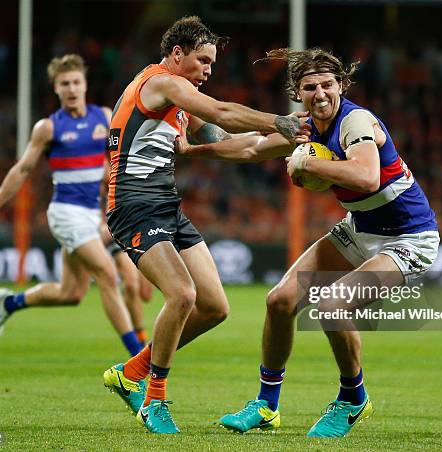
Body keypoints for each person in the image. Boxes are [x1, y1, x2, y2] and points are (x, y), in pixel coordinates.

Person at [175, 47, 439, 438]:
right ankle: (266, 405)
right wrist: (191, 150)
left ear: (341, 85)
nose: (320, 93)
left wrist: (307, 163)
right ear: (298, 93)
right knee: (279, 302)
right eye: (310, 87)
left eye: (327, 85)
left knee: (332, 305)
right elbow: (249, 147)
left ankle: (353, 399)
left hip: (408, 238)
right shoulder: (304, 129)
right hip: (359, 229)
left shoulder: (356, 121)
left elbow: (366, 177)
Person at [101, 16, 309, 434]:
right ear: (177, 55)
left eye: (212, 63)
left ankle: (131, 372)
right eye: (203, 61)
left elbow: (231, 140)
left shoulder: (179, 101)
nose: (208, 71)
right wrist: (279, 120)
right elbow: (222, 112)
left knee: (214, 306)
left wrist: (298, 138)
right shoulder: (160, 83)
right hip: (133, 204)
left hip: (165, 205)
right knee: (182, 294)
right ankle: (153, 399)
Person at [0, 54, 143, 357]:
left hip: (91, 215)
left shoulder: (103, 117)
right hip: (65, 213)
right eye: (64, 84)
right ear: (56, 89)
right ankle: (140, 359)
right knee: (108, 275)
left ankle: (10, 303)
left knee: (70, 293)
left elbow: (112, 162)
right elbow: (22, 170)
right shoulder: (47, 128)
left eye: (76, 82)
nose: (71, 89)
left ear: (85, 85)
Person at [102, 224, 154, 348]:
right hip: (120, 228)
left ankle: (139, 334)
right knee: (131, 285)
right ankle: (139, 344)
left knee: (145, 294)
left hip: (144, 228)